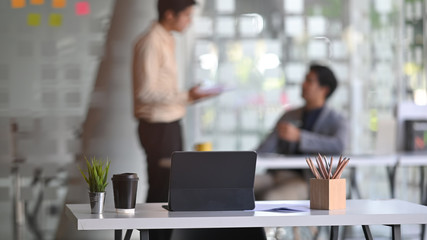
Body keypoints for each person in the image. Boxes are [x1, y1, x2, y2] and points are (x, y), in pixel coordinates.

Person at [132, 0, 215, 204]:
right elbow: (145, 92)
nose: (189, 21)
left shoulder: (167, 39)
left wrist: (190, 97)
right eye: (187, 15)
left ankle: (165, 236)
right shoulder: (151, 42)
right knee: (162, 188)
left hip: (169, 124)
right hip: (158, 127)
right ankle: (153, 235)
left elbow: (162, 89)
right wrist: (186, 95)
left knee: (170, 188)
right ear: (169, 15)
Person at [256, 64, 347, 200]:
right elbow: (265, 148)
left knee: (272, 198)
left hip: (307, 179)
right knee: (236, 187)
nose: (303, 84)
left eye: (309, 81)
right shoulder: (290, 115)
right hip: (277, 174)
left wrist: (300, 137)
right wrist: (243, 160)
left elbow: (338, 145)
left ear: (324, 89)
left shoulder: (337, 119)